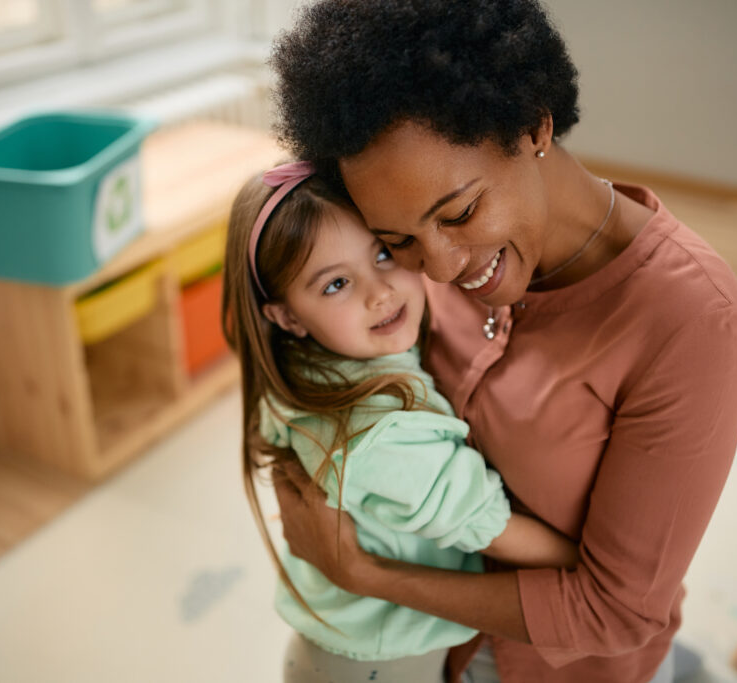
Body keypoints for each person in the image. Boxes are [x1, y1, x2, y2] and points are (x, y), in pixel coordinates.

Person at [266, 2, 737, 682]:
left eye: (460, 213)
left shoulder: (691, 321)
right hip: (419, 647)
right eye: (397, 240)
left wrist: (361, 570)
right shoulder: (406, 270)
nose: (438, 267)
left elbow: (616, 612)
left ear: (534, 125)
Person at [221, 162, 580, 683]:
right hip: (379, 665)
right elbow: (494, 531)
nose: (380, 293)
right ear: (288, 318)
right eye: (336, 283)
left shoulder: (302, 369)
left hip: (336, 648)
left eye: (385, 253)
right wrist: (598, 567)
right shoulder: (389, 437)